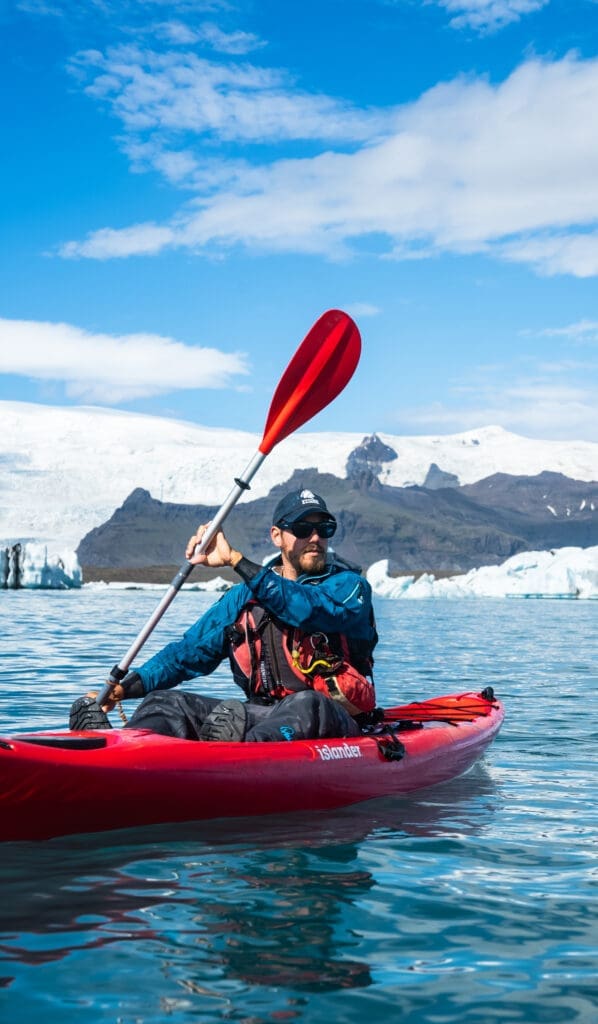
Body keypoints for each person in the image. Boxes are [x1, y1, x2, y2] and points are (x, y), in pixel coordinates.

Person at [70, 488, 378, 742]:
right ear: (277, 536)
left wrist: (234, 559)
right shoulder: (243, 598)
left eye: (324, 529)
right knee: (165, 703)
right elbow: (187, 653)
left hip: (332, 722)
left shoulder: (350, 587)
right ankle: (118, 746)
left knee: (309, 704)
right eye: (302, 529)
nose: (315, 538)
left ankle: (233, 755)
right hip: (263, 714)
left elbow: (306, 609)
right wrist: (125, 688)